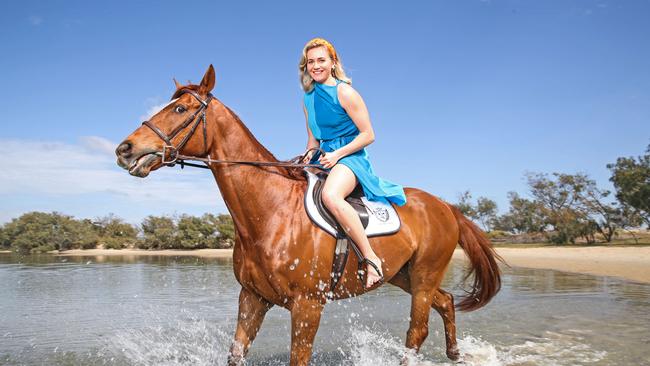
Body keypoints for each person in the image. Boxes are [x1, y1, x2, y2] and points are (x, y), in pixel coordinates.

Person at [299, 37, 407, 289]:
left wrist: (337, 155)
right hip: (323, 157)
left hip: (350, 158)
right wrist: (306, 158)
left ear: (333, 62)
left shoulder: (345, 92)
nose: (316, 66)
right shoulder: (307, 99)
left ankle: (371, 259)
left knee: (331, 196)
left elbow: (368, 134)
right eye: (311, 62)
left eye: (321, 60)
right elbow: (313, 140)